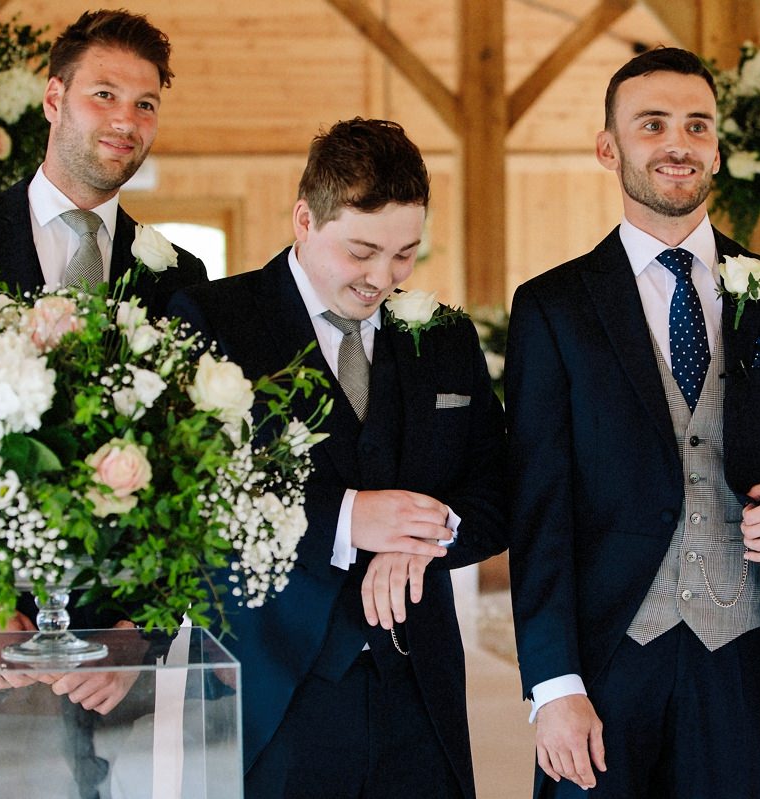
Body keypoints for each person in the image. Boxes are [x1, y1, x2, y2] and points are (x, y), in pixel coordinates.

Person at [504, 47, 760, 798]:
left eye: (697, 126)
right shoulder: (552, 306)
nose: (678, 143)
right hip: (608, 656)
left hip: (748, 651)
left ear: (717, 150)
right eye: (653, 124)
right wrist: (552, 682)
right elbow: (538, 510)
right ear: (609, 147)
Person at [0, 11, 208, 799]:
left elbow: (198, 470)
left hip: (114, 675)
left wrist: (139, 632)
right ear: (54, 98)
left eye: (147, 103)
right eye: (104, 95)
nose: (127, 121)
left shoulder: (179, 276)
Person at [167, 118, 508, 799]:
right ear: (304, 218)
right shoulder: (213, 319)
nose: (383, 277)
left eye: (406, 253)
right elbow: (190, 495)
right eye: (362, 250)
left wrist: (419, 540)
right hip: (273, 691)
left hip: (421, 692)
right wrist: (349, 519)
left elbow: (499, 489)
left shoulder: (444, 336)